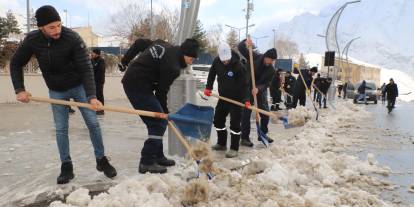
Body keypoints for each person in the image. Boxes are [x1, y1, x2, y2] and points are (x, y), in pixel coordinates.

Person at [9, 5, 117, 184]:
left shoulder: (72, 38)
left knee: (93, 122)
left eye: (59, 25)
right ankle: (66, 167)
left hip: (79, 86)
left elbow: (86, 68)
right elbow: (15, 63)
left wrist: (91, 96)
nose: (57, 30)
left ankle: (101, 160)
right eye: (52, 27)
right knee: (61, 128)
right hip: (56, 90)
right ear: (41, 27)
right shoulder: (32, 40)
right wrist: (19, 89)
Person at [120, 38, 199, 174]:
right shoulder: (173, 67)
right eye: (191, 58)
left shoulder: (164, 45)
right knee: (158, 124)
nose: (192, 61)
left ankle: (158, 156)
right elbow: (161, 93)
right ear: (184, 53)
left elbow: (140, 43)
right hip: (137, 86)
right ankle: (146, 162)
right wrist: (165, 113)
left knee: (158, 121)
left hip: (137, 81)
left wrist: (124, 61)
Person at [204, 42, 249, 158]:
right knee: (218, 120)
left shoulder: (238, 66)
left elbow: (245, 84)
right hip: (223, 97)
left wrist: (246, 99)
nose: (225, 62)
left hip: (236, 99)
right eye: (223, 60)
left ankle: (234, 148)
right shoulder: (217, 61)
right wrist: (208, 87)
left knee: (235, 124)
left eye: (227, 60)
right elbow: (211, 74)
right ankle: (221, 143)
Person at [237, 38, 277, 147]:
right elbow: (240, 47)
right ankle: (244, 138)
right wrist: (246, 42)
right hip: (247, 89)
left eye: (272, 61)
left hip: (260, 91)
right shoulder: (254, 56)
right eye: (270, 59)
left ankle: (262, 134)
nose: (270, 62)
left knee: (265, 113)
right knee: (246, 114)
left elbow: (267, 83)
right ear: (266, 56)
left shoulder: (271, 70)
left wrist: (258, 89)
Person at [91, 49, 106, 115]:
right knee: (94, 95)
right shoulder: (92, 60)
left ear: (97, 54)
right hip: (93, 81)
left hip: (99, 81)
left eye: (93, 53)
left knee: (99, 95)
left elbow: (101, 71)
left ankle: (101, 109)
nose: (92, 54)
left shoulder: (101, 60)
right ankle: (95, 108)